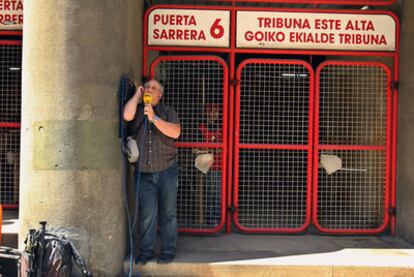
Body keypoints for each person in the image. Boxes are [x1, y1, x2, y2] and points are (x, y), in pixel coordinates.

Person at [123, 79, 181, 264]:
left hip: (166, 170)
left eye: (153, 88)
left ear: (160, 94)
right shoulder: (138, 110)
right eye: (147, 86)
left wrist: (154, 118)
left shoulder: (167, 111)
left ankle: (168, 250)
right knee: (147, 214)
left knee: (168, 213)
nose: (149, 89)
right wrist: (136, 96)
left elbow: (175, 132)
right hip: (144, 172)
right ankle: (146, 252)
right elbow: (126, 116)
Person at [197, 103, 222, 226]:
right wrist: (211, 150)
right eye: (211, 111)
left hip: (221, 165)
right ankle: (211, 218)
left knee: (218, 193)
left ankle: (217, 218)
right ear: (206, 113)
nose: (213, 114)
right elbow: (196, 148)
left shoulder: (222, 127)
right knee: (211, 192)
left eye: (216, 111)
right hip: (206, 165)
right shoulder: (201, 128)